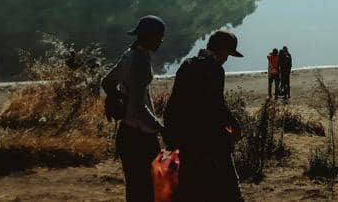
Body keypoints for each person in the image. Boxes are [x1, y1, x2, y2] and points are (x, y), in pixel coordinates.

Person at [163, 30, 245, 202]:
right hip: (209, 138)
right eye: (227, 53)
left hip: (184, 137)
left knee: (190, 186)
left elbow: (175, 102)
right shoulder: (215, 70)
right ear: (220, 49)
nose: (227, 59)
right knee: (229, 186)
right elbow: (217, 106)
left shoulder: (187, 64)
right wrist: (234, 124)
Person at [101, 15, 165, 202]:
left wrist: (119, 99)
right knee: (147, 192)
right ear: (149, 36)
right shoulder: (140, 62)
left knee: (136, 189)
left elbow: (107, 82)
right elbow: (138, 107)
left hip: (127, 134)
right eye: (159, 37)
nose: (161, 41)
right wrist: (159, 127)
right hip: (140, 137)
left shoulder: (130, 53)